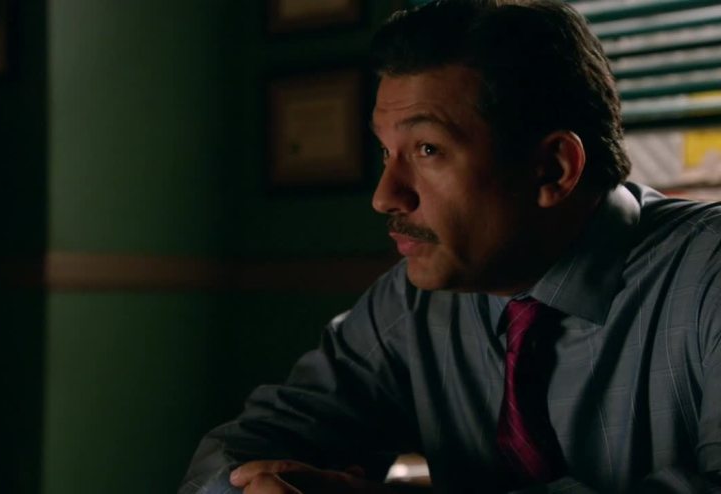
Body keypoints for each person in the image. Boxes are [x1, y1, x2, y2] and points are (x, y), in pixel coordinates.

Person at [180, 0, 721, 492]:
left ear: (553, 168)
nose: (385, 196)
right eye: (386, 152)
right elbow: (253, 442)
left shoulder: (707, 275)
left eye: (427, 149)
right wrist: (256, 487)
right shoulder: (415, 303)